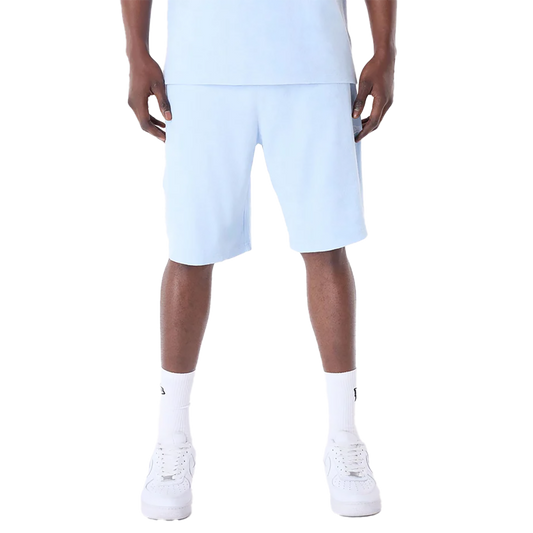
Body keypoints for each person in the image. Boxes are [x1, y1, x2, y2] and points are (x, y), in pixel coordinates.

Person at [119, 0, 397, 523]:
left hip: (315, 62)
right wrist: (136, 49)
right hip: (200, 67)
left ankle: (345, 437)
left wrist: (385, 52)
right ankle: (171, 439)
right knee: (188, 250)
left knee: (326, 246)